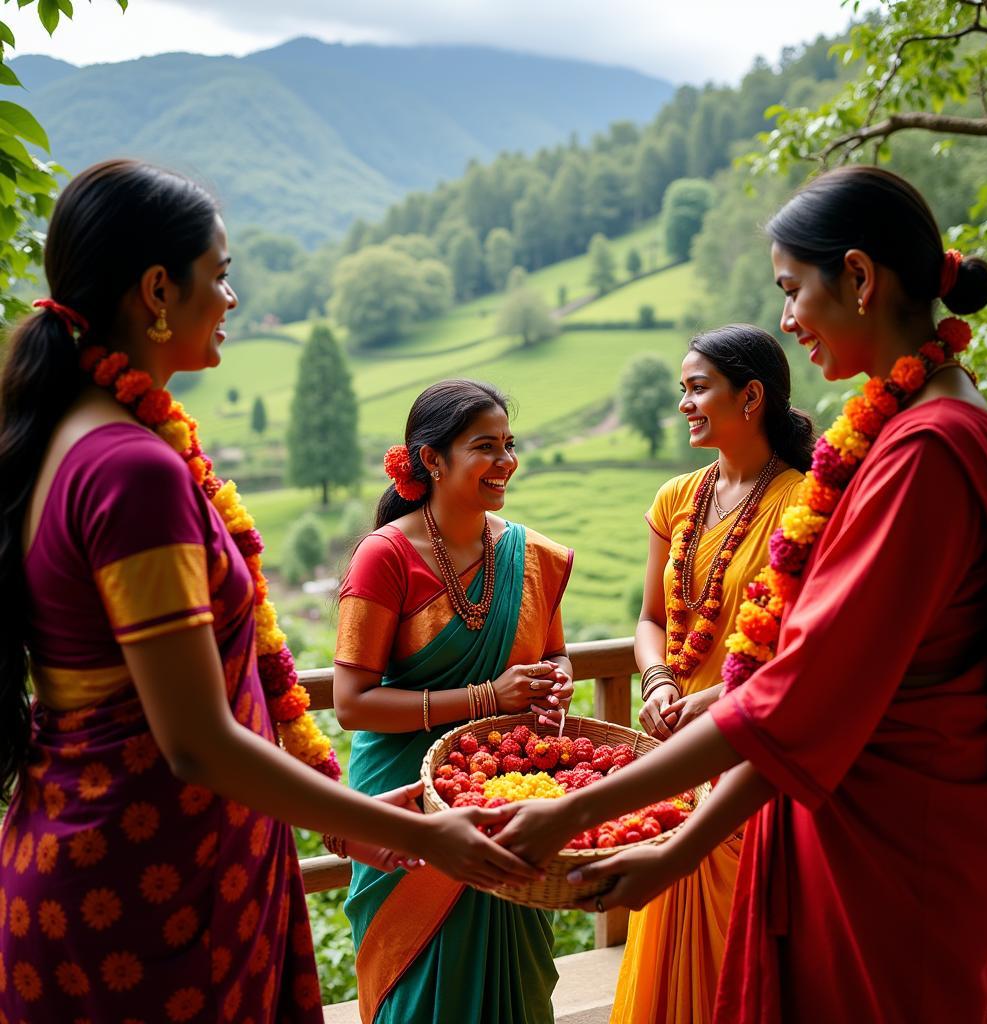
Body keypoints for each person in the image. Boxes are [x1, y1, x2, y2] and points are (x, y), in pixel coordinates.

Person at [0, 160, 535, 1024]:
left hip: (141, 866)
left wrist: (346, 817)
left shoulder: (86, 438)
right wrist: (417, 834)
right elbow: (198, 743)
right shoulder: (131, 468)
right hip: (144, 898)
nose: (233, 299)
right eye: (221, 275)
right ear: (157, 290)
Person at [496, 165, 987, 1024]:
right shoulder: (918, 424)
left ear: (858, 277)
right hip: (836, 798)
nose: (786, 321)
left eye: (791, 289)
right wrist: (680, 835)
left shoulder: (925, 451)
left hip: (893, 844)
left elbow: (796, 697)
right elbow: (798, 701)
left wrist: (588, 808)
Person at [333, 378, 574, 1024]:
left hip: (500, 793)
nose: (505, 462)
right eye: (485, 447)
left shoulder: (531, 555)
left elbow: (552, 652)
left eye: (508, 445)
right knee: (418, 993)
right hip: (408, 804)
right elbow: (352, 703)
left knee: (514, 984)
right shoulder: (384, 558)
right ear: (431, 460)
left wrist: (557, 681)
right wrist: (484, 695)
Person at [612, 325, 809, 1024]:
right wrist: (660, 680)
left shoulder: (804, 503)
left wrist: (718, 700)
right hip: (677, 744)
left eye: (698, 388)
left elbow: (805, 651)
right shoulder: (674, 499)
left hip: (751, 744)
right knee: (665, 933)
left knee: (738, 947)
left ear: (750, 396)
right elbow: (649, 618)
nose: (684, 404)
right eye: (682, 390)